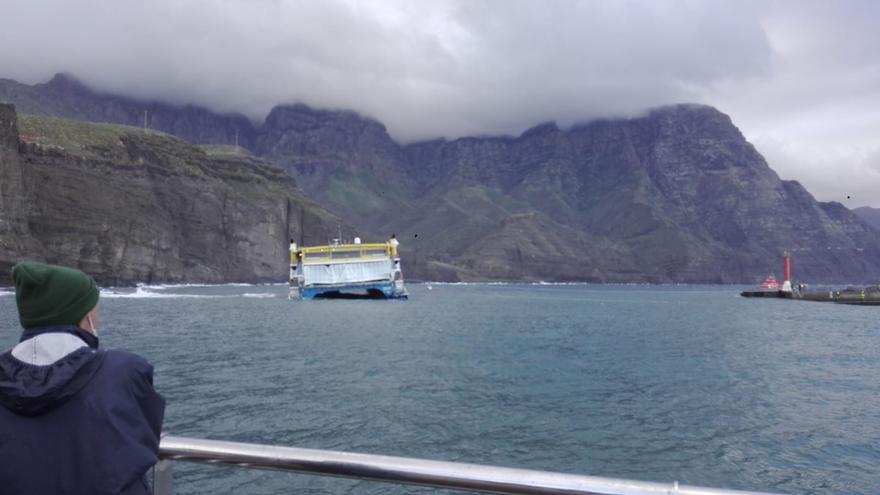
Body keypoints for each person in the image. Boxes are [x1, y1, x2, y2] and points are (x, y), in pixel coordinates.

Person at [0, 262, 165, 494]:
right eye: (94, 310)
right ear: (83, 316)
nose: (97, 320)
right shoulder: (125, 371)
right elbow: (143, 436)